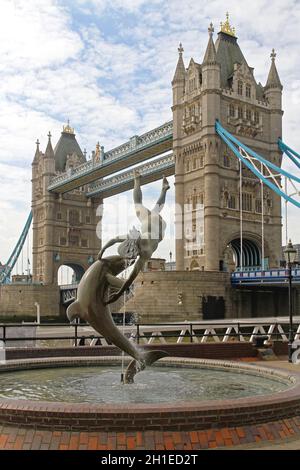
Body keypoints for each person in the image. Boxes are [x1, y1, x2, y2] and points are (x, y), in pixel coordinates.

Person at [98, 170, 170, 304]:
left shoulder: (145, 253)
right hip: (152, 225)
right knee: (140, 205)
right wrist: (101, 251)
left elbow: (131, 278)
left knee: (152, 209)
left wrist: (119, 294)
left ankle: (162, 188)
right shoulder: (134, 239)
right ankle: (139, 180)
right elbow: (114, 240)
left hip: (159, 229)